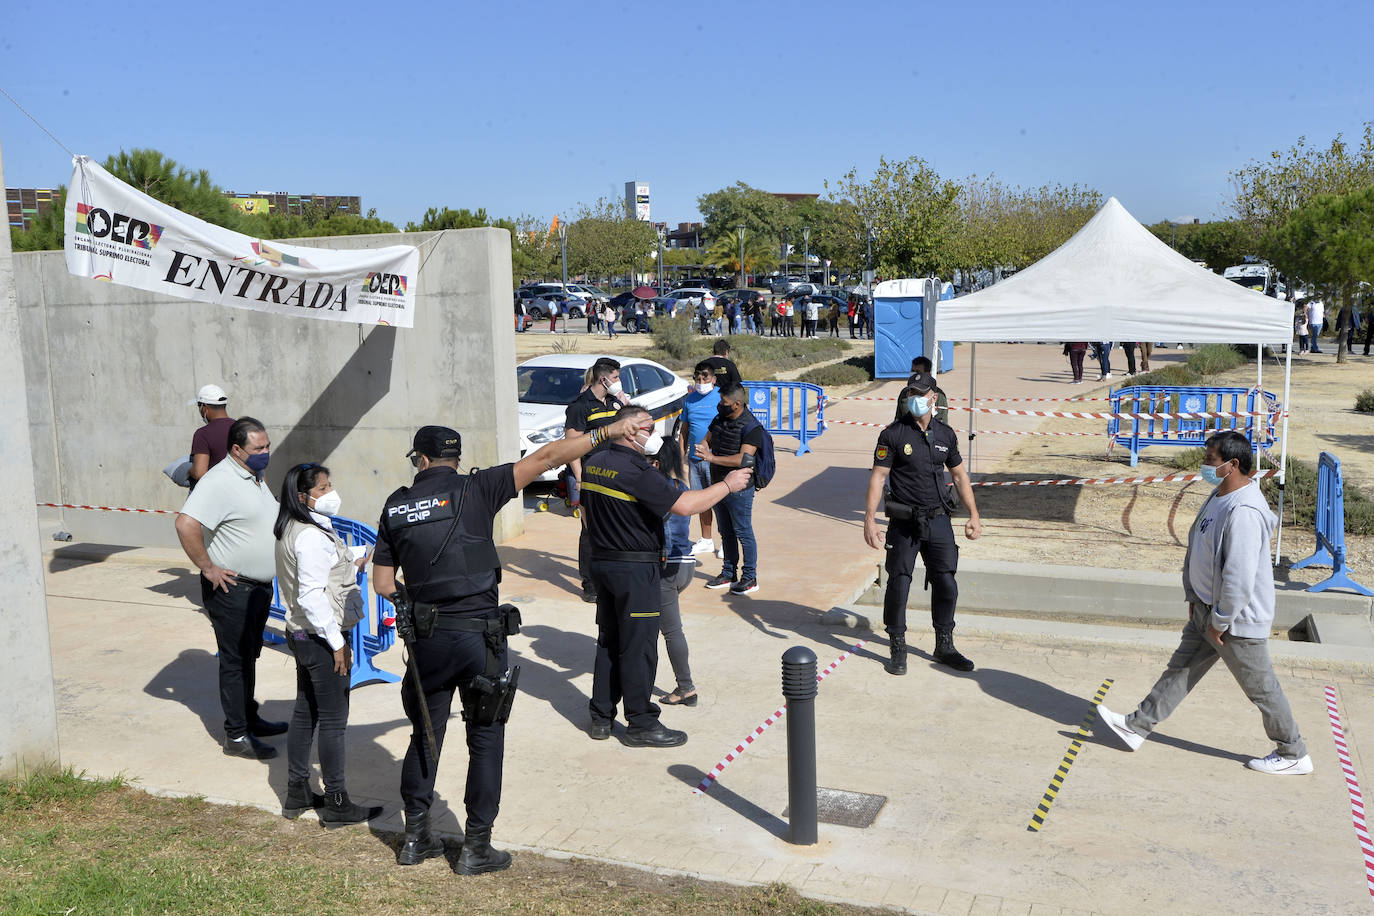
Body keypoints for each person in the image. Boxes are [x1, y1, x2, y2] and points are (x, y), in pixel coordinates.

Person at [372, 416, 643, 872]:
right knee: (485, 740)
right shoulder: (478, 489)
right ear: (456, 460)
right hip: (480, 637)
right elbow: (547, 457)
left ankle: (416, 839)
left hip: (429, 641)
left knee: (426, 735)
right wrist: (608, 433)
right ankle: (476, 848)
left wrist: (417, 601)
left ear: (419, 460)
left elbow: (382, 583)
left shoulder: (396, 507)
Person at [1097, 431, 1312, 776]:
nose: (1205, 465)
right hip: (1207, 610)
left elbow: (1238, 576)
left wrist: (1221, 619)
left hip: (1234, 622)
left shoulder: (1244, 511)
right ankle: (1135, 727)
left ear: (1233, 465)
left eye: (1211, 460)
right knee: (1180, 670)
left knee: (1261, 688)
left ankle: (1293, 752)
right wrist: (1195, 598)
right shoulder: (1220, 494)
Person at [582, 406, 751, 746]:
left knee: (609, 640)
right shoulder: (635, 470)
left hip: (603, 562)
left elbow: (585, 512)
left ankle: (601, 717)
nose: (654, 433)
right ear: (630, 430)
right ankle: (641, 723)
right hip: (635, 569)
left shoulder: (594, 461)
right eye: (647, 426)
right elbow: (687, 505)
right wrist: (728, 485)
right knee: (639, 646)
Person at [274, 462, 382, 827]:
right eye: (323, 488)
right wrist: (337, 644)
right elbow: (311, 595)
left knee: (306, 712)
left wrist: (358, 556)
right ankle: (336, 801)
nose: (331, 493)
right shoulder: (310, 536)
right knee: (334, 722)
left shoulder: (297, 526)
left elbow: (327, 560)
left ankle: (297, 791)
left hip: (301, 634)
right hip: (321, 637)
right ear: (303, 496)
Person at [174, 416, 285, 759]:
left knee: (249, 655)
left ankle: (248, 717)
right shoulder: (219, 480)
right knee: (235, 660)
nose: (266, 452)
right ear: (237, 449)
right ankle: (236, 736)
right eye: (259, 448)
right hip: (233, 588)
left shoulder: (254, 477)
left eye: (267, 446)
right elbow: (186, 523)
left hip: (258, 588)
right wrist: (207, 567)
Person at [863, 372, 984, 675]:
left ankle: (944, 644)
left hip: (938, 518)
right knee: (899, 582)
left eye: (920, 393)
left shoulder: (945, 435)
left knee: (946, 581)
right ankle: (897, 645)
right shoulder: (892, 434)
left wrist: (974, 514)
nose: (914, 398)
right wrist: (868, 519)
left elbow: (959, 476)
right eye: (910, 393)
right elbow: (878, 477)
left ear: (934, 398)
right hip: (904, 522)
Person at [564, 358, 626, 602]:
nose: (618, 381)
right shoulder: (580, 406)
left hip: (615, 476)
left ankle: (610, 578)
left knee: (615, 527)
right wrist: (579, 478)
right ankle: (590, 584)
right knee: (590, 532)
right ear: (604, 379)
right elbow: (571, 446)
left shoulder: (613, 402)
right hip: (590, 477)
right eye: (617, 377)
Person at [695, 383, 762, 595]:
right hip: (719, 484)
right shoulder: (719, 419)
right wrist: (703, 447)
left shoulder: (752, 427)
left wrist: (712, 457)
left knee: (743, 531)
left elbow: (744, 458)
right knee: (725, 531)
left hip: (740, 488)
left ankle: (750, 577)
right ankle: (728, 573)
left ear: (737, 404)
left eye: (724, 403)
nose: (720, 406)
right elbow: (707, 439)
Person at [650, 438, 698, 707]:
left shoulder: (657, 489)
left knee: (671, 631)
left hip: (667, 568)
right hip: (686, 564)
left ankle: (686, 687)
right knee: (667, 628)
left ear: (656, 462)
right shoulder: (681, 486)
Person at [682, 363, 721, 557]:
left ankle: (725, 541)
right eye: (697, 378)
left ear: (713, 379)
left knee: (721, 501)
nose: (701, 382)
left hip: (716, 460)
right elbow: (684, 430)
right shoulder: (690, 400)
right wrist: (681, 456)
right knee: (701, 501)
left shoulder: (722, 396)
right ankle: (706, 539)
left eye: (705, 378)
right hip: (695, 460)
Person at [189, 384, 235, 485]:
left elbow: (199, 472)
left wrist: (188, 470)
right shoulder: (243, 427)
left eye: (199, 407)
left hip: (219, 493)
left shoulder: (203, 434)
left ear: (204, 407)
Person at [910, 356, 949, 426]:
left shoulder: (938, 395)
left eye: (918, 372)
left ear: (928, 374)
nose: (915, 375)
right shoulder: (905, 393)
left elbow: (941, 423)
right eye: (913, 371)